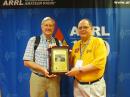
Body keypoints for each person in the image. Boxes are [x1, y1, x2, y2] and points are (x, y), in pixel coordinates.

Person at [66, 18, 107, 97]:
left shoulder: (98, 42)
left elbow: (98, 64)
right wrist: (64, 54)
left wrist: (78, 70)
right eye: (80, 28)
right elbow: (71, 63)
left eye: (85, 27)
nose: (82, 29)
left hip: (93, 86)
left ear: (91, 29)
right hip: (77, 85)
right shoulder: (76, 44)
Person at [23, 17, 61, 97]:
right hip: (37, 78)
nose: (48, 27)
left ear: (54, 28)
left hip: (54, 79)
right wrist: (43, 69)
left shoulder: (58, 42)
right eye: (46, 25)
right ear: (42, 26)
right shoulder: (33, 40)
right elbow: (26, 62)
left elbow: (61, 62)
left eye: (51, 26)